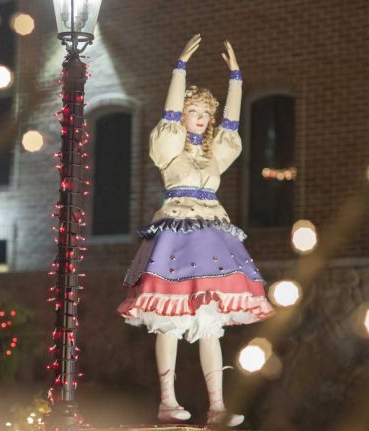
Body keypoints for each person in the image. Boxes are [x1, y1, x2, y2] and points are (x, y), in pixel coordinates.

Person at [116, 34, 275, 427]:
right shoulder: (169, 148)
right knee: (168, 316)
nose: (201, 118)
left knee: (209, 320)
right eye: (194, 111)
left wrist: (236, 79)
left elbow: (232, 125)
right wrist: (179, 69)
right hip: (176, 235)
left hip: (210, 237)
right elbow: (169, 116)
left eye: (206, 112)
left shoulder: (213, 156)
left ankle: (217, 406)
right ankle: (167, 402)